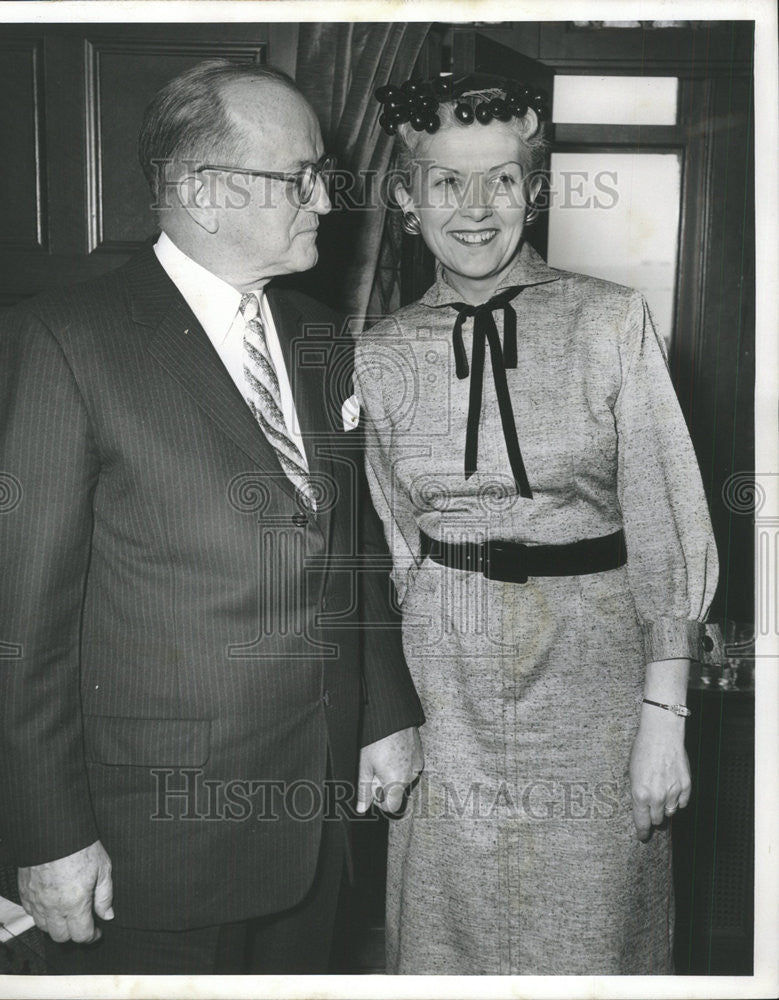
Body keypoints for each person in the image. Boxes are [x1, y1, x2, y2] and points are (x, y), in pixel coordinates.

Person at [0, 60, 424, 975]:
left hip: (310, 813)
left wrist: (383, 711)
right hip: (155, 838)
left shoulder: (314, 335)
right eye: (297, 177)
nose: (324, 201)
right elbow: (22, 622)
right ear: (202, 192)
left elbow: (349, 550)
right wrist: (46, 836)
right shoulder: (66, 339)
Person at [354, 73, 720, 974]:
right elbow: (393, 544)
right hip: (447, 686)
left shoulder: (609, 322)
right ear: (406, 198)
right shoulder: (378, 351)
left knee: (593, 940)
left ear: (534, 190)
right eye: (445, 181)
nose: (474, 208)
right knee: (445, 942)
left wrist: (661, 719)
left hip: (593, 681)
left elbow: (667, 528)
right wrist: (392, 712)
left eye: (502, 180)